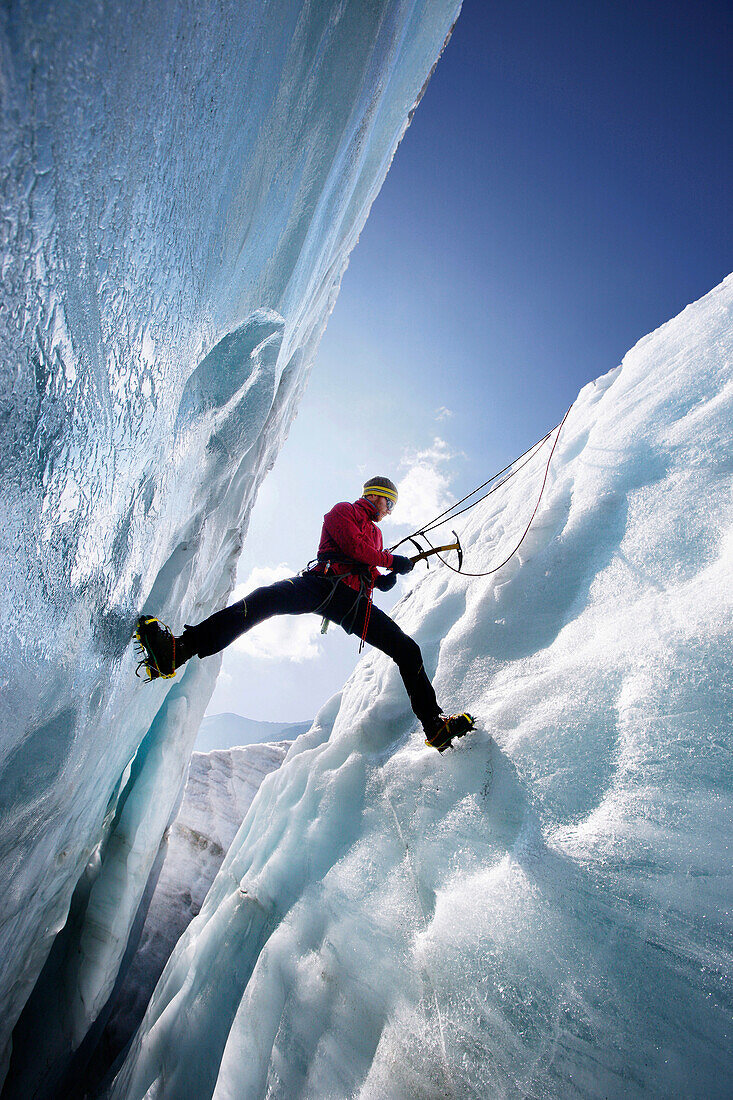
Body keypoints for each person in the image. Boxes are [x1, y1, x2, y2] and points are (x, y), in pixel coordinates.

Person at [135, 476, 474, 750]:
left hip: (353, 603)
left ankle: (434, 725)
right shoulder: (344, 511)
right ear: (378, 496)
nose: (390, 510)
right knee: (264, 599)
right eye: (390, 503)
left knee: (407, 649)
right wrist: (387, 561)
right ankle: (179, 650)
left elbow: (367, 562)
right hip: (322, 585)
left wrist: (382, 579)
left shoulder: (376, 532)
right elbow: (355, 548)